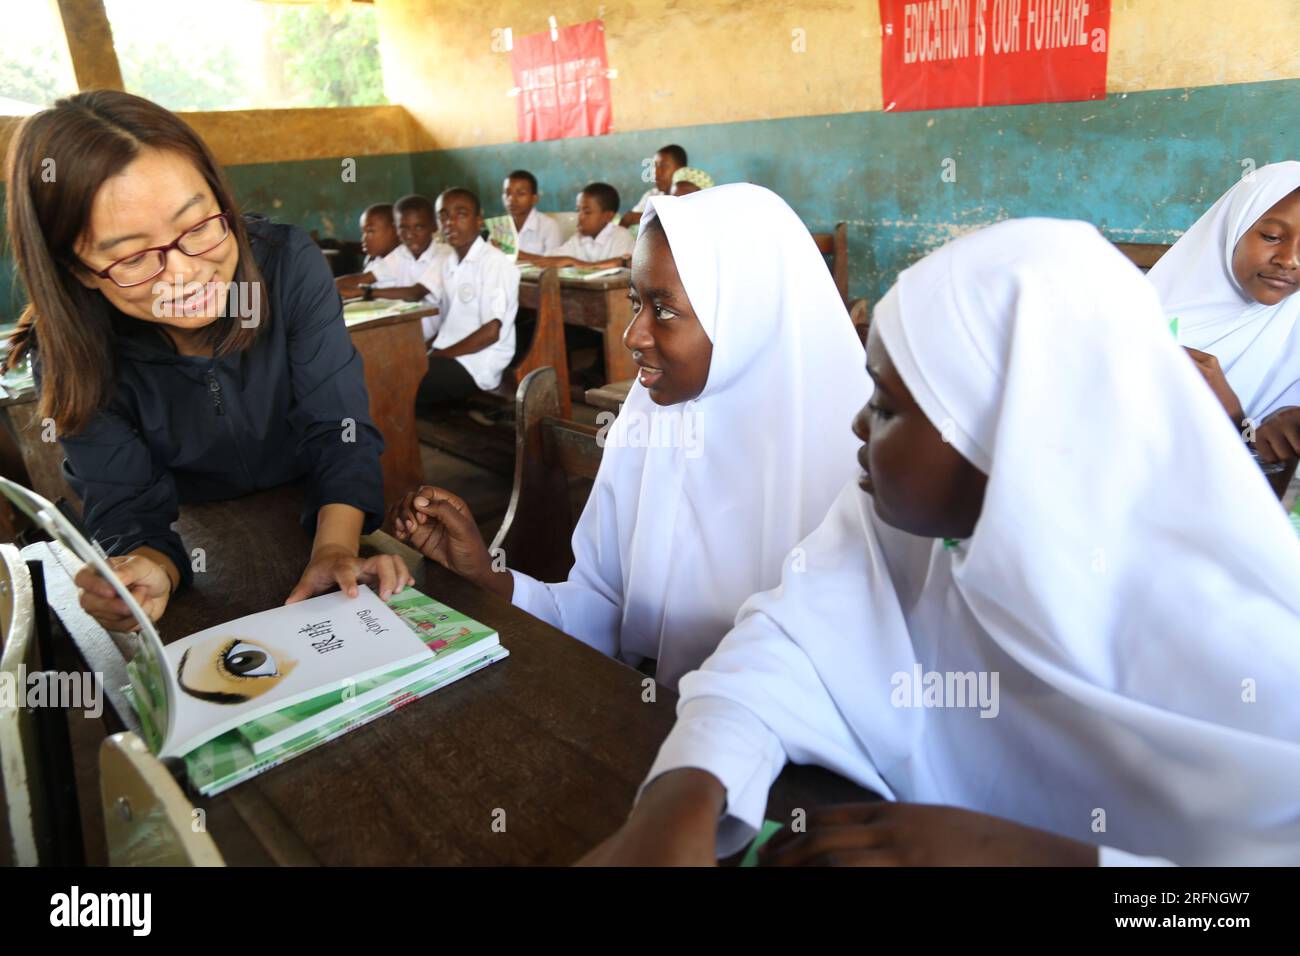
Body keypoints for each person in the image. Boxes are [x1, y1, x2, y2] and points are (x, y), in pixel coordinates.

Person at [580, 218, 1300, 866]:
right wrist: (684, 794)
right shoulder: (898, 528)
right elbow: (781, 646)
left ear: (1009, 436)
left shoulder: (1249, 648)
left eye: (887, 407)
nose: (857, 428)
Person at [391, 184, 869, 690]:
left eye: (662, 310)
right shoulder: (646, 423)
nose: (632, 335)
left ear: (746, 315)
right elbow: (602, 607)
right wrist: (489, 579)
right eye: (635, 301)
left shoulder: (849, 471)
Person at [2, 91, 411, 632]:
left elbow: (338, 428)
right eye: (133, 256)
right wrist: (149, 570)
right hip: (200, 534)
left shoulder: (285, 265)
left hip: (315, 511)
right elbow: (125, 503)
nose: (184, 273)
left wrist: (334, 548)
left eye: (197, 226)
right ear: (77, 268)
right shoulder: (73, 350)